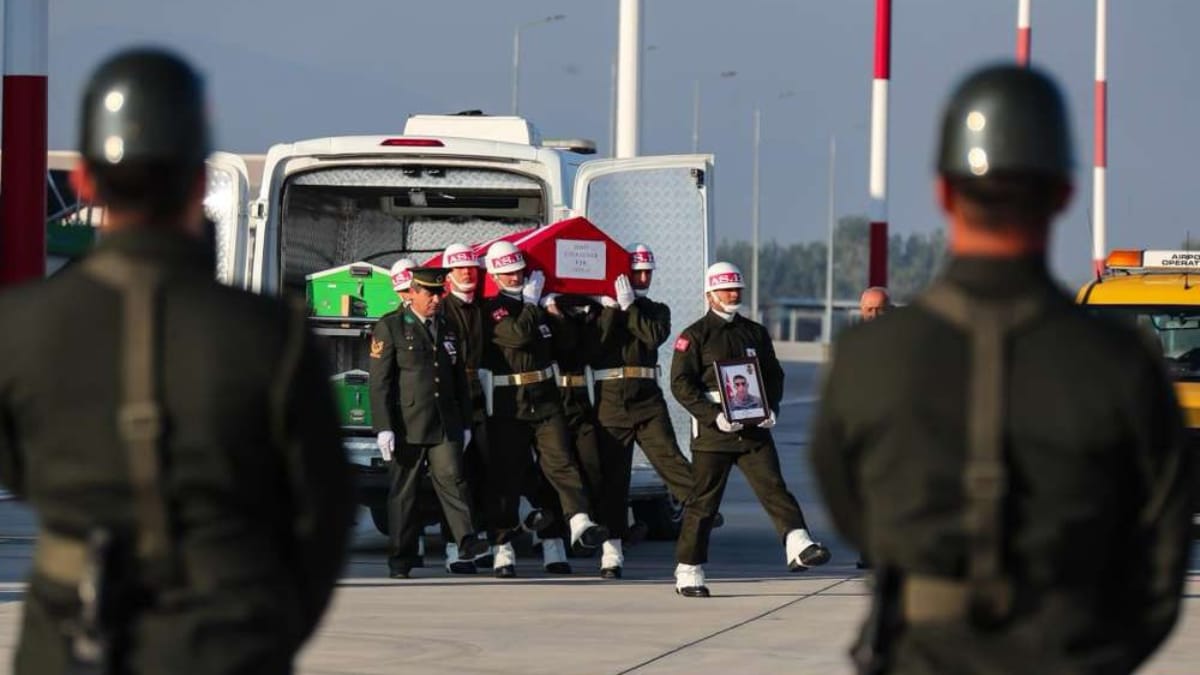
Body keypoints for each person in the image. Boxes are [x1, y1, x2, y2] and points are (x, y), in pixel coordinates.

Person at [810, 64, 1194, 675]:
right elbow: (1162, 557)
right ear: (1065, 194)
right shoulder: (1122, 365)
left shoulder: (869, 359)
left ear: (943, 192)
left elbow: (856, 513)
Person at [0, 47, 355, 674]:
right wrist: (264, 629)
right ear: (198, 180)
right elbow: (323, 515)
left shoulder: (20, 329)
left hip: (65, 642)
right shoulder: (270, 335)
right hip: (224, 638)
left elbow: (18, 471)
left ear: (82, 180)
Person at [669, 262, 831, 597]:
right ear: (711, 293)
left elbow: (774, 375)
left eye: (737, 289)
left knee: (774, 487)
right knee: (704, 504)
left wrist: (772, 407)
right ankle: (689, 569)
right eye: (727, 289)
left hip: (754, 430)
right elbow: (680, 385)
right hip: (714, 435)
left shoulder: (755, 332)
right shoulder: (695, 336)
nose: (733, 294)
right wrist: (714, 416)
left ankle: (799, 544)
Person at [480, 241, 608, 578]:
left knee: (560, 462)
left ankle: (579, 521)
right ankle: (503, 549)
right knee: (507, 477)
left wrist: (554, 310)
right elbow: (518, 336)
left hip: (546, 396)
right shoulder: (494, 309)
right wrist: (532, 303)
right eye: (507, 272)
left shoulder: (534, 306)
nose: (515, 276)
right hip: (510, 402)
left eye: (518, 271)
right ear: (494, 274)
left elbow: (564, 345)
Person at [592, 244, 712, 575]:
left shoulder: (657, 310)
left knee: (670, 459)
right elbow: (594, 347)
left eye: (647, 272)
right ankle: (611, 551)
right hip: (611, 398)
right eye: (637, 272)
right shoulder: (602, 310)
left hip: (647, 397)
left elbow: (652, 337)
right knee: (613, 479)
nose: (643, 278)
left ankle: (703, 507)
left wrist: (630, 307)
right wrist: (609, 310)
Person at [369, 267, 490, 578]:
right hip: (407, 424)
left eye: (440, 294)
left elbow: (458, 380)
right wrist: (383, 426)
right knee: (404, 495)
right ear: (412, 293)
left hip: (444, 422)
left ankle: (467, 540)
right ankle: (401, 559)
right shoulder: (391, 327)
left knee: (453, 480)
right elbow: (380, 382)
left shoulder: (447, 328)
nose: (436, 299)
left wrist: (464, 423)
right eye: (430, 294)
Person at [541, 292, 607, 575]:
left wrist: (604, 308)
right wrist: (554, 312)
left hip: (585, 397)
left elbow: (595, 351)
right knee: (555, 473)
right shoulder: (544, 310)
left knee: (591, 470)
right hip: (553, 397)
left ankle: (582, 533)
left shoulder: (595, 311)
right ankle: (553, 547)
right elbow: (561, 345)